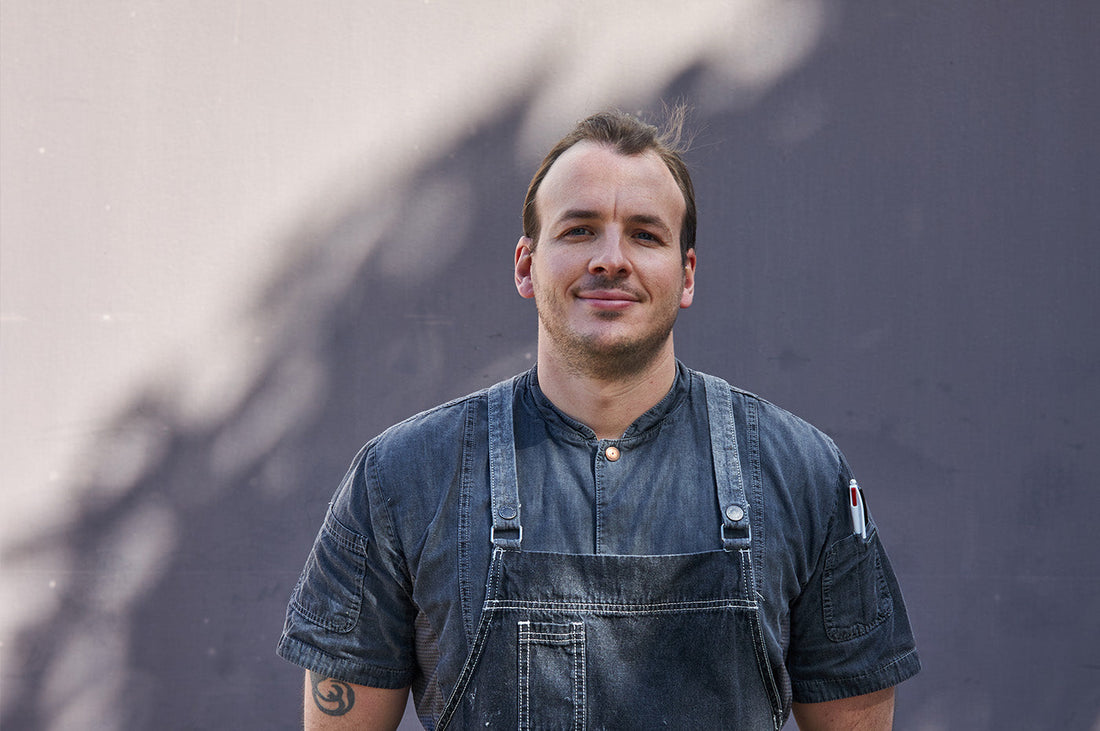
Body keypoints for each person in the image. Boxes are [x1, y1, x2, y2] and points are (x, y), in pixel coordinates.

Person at [277, 109, 920, 730]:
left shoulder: (801, 474)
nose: (611, 259)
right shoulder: (404, 478)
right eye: (579, 229)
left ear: (686, 274)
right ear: (527, 264)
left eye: (645, 234)